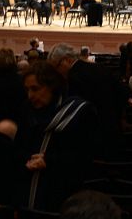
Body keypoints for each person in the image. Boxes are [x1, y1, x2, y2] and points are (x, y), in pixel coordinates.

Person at [17, 60, 96, 212]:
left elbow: (83, 158)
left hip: (62, 193)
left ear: (52, 86)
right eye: (27, 90)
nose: (30, 95)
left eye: (35, 89)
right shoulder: (27, 109)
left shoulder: (78, 112)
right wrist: (26, 160)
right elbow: (19, 147)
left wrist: (49, 161)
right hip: (27, 192)